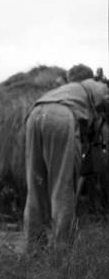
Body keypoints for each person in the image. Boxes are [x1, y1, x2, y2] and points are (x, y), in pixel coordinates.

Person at [23, 68, 109, 252]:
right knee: (62, 184)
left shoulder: (69, 89)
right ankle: (61, 247)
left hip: (34, 114)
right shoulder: (98, 85)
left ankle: (34, 246)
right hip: (61, 116)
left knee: (36, 184)